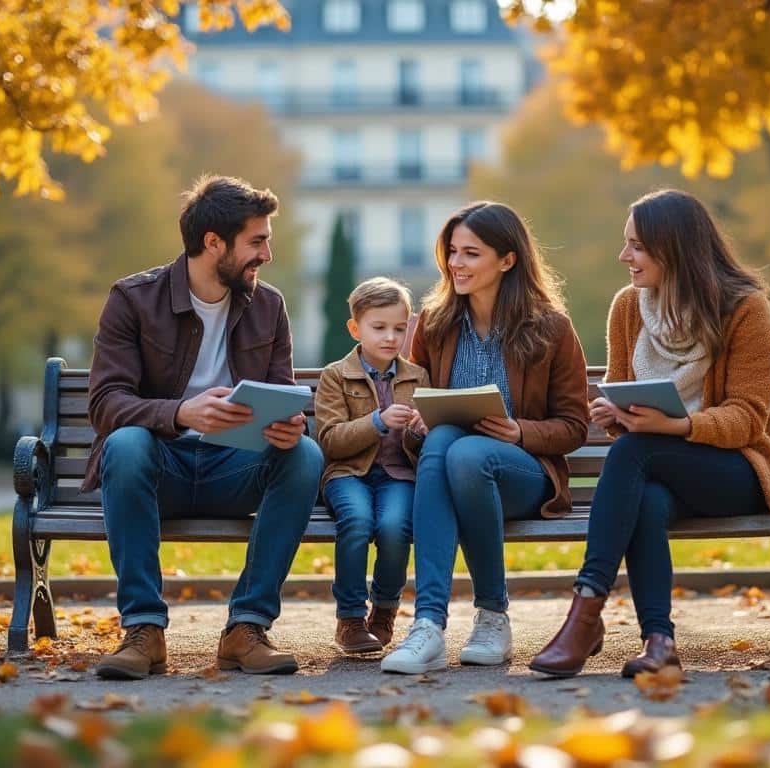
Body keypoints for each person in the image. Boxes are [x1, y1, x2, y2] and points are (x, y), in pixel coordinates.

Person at [529, 189, 770, 679]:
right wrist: (616, 414)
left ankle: (585, 612)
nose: (623, 256)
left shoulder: (746, 308)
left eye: (636, 246)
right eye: (626, 244)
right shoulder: (629, 308)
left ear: (675, 249)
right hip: (655, 465)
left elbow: (748, 418)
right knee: (644, 496)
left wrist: (675, 425)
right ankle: (659, 640)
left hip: (738, 470)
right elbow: (629, 401)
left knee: (637, 454)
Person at [86, 175, 322, 680]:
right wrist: (180, 413)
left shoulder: (269, 305)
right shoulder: (132, 299)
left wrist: (288, 425)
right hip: (159, 468)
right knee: (125, 444)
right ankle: (144, 631)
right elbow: (106, 403)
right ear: (213, 242)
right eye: (256, 241)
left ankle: (247, 627)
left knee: (304, 455)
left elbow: (282, 393)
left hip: (232, 470)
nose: (267, 254)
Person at [380, 202, 590, 674]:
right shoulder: (434, 325)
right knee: (444, 443)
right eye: (452, 252)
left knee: (469, 453)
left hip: (522, 476)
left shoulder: (551, 328)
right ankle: (428, 626)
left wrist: (520, 430)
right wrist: (420, 422)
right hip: (447, 471)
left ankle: (493, 616)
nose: (456, 263)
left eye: (471, 253)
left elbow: (575, 425)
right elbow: (420, 404)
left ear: (507, 260)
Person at [314, 277, 427, 655]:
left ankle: (384, 609)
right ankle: (349, 618)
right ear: (355, 328)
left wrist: (420, 430)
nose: (390, 337)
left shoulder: (417, 376)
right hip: (348, 475)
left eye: (399, 328)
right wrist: (378, 421)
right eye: (379, 328)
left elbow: (421, 446)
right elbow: (329, 440)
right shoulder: (335, 375)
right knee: (358, 521)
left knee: (395, 526)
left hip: (399, 475)